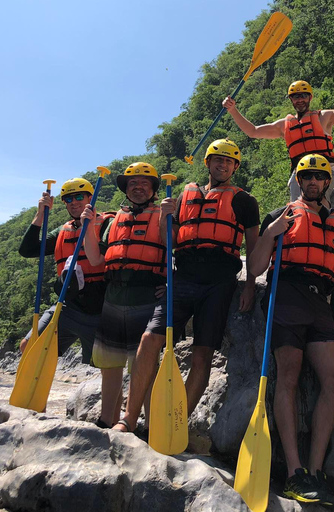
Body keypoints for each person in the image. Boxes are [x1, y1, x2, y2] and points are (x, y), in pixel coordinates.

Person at [112, 139, 260, 434]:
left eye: (229, 162)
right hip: (183, 278)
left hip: (219, 283)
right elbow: (171, 242)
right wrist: (167, 217)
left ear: (235, 167)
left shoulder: (244, 200)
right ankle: (128, 418)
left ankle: (175, 424)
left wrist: (250, 286)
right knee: (149, 341)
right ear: (207, 163)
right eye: (218, 160)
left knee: (202, 354)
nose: (223, 165)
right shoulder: (185, 195)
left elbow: (253, 249)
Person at [248, 153, 334, 507]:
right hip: (286, 295)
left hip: (320, 303)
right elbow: (255, 267)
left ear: (328, 182)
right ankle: (294, 472)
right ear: (299, 182)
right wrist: (271, 233)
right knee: (289, 376)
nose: (313, 181)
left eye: (319, 176)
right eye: (307, 177)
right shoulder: (282, 216)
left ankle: (315, 471)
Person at [81, 162, 166, 429]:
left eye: (144, 183)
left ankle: (151, 427)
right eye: (132, 184)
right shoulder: (113, 220)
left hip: (147, 295)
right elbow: (95, 258)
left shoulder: (164, 215)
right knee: (110, 363)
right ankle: (108, 420)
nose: (138, 187)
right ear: (126, 190)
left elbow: (174, 250)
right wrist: (87, 228)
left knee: (146, 365)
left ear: (152, 189)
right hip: (114, 297)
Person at [222, 77, 334, 204]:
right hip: (300, 171)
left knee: (316, 204)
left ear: (310, 97)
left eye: (303, 96)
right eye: (296, 96)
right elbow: (253, 131)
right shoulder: (283, 125)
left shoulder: (323, 117)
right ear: (291, 99)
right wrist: (233, 110)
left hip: (324, 168)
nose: (300, 100)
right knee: (297, 207)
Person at [17, 178, 112, 364]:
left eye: (79, 196)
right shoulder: (63, 230)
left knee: (102, 367)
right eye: (68, 199)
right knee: (28, 346)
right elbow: (27, 250)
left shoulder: (108, 224)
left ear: (90, 198)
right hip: (67, 305)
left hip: (99, 309)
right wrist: (40, 215)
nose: (74, 202)